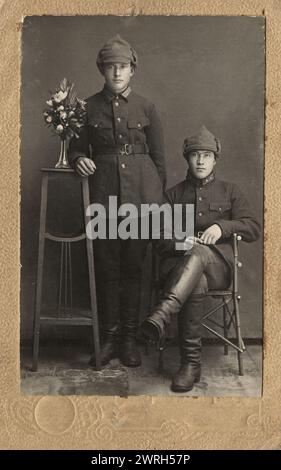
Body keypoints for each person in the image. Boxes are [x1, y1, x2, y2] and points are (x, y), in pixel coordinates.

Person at [68, 35, 166, 368]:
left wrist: (157, 205)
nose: (117, 73)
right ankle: (108, 339)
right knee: (107, 268)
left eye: (122, 67)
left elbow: (159, 161)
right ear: (102, 70)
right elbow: (77, 150)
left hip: (141, 199)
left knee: (134, 269)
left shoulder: (147, 107)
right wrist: (78, 159)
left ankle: (128, 339)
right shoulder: (87, 107)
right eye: (111, 68)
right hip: (104, 196)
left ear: (132, 70)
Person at [140, 125, 260, 392]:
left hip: (220, 268)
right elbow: (158, 237)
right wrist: (182, 242)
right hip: (180, 271)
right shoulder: (172, 195)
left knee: (201, 256)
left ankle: (163, 313)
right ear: (187, 159)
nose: (201, 161)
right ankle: (191, 364)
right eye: (195, 155)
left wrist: (223, 227)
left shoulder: (231, 191)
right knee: (197, 280)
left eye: (207, 155)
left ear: (216, 159)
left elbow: (253, 228)